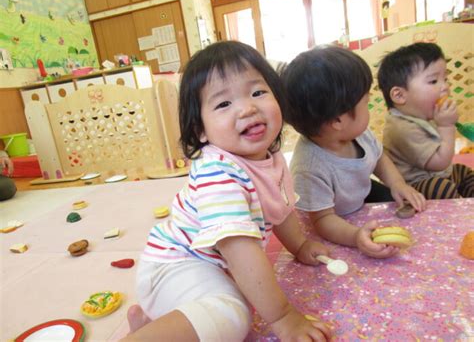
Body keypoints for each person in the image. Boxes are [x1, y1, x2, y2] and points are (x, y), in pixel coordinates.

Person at [123, 41, 333, 342]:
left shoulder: (271, 158)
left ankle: (154, 323)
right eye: (223, 104)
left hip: (210, 268)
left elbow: (280, 209)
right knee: (232, 315)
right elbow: (238, 249)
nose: (247, 108)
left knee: (229, 301)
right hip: (175, 266)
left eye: (258, 92)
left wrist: (299, 246)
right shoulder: (217, 172)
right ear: (201, 131)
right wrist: (283, 317)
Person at [281, 46, 426, 259]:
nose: (370, 108)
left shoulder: (359, 133)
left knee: (404, 208)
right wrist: (356, 236)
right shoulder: (309, 168)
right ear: (337, 121)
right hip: (331, 219)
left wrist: (397, 184)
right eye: (366, 104)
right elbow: (322, 220)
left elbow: (379, 158)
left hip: (358, 196)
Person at [378, 42, 473, 199]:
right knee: (441, 188)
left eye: (445, 79)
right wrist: (446, 126)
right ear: (400, 95)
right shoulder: (401, 128)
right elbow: (439, 162)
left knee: (463, 172)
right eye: (433, 81)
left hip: (440, 175)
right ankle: (458, 217)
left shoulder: (422, 115)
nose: (445, 87)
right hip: (415, 187)